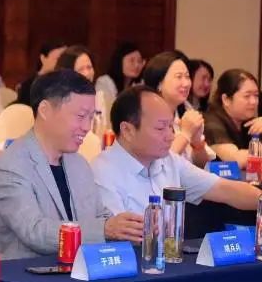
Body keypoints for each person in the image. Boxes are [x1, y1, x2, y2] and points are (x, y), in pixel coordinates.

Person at [0, 70, 141, 259]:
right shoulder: (11, 166)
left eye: (91, 117)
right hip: (30, 271)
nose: (87, 127)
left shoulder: (78, 163)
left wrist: (125, 229)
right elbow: (35, 232)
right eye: (80, 116)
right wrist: (105, 229)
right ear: (45, 110)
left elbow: (100, 217)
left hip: (81, 268)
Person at [93, 86, 261, 218]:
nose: (170, 136)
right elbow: (117, 236)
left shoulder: (169, 160)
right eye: (160, 128)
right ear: (127, 130)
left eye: (170, 127)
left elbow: (226, 190)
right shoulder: (103, 172)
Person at [142, 51, 213, 167]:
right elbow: (158, 166)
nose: (186, 84)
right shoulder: (145, 117)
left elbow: (202, 165)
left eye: (187, 77)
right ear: (159, 83)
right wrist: (185, 134)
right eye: (179, 77)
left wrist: (197, 143)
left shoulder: (186, 110)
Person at [205, 69, 262, 166]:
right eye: (247, 96)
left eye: (256, 95)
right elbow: (237, 159)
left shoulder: (250, 122)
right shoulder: (211, 121)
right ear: (226, 99)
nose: (253, 101)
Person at [16, 41, 66, 107]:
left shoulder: (66, 84)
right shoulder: (28, 85)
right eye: (58, 59)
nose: (63, 63)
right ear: (43, 58)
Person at [94, 41, 144, 105]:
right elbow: (103, 107)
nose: (137, 65)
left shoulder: (140, 84)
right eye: (131, 61)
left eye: (139, 61)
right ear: (119, 61)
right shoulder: (104, 82)